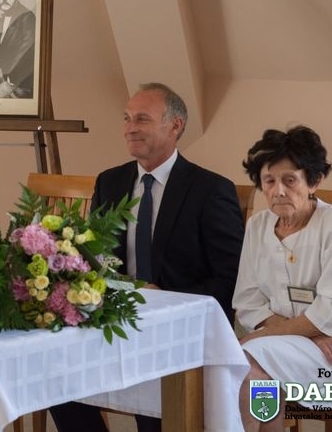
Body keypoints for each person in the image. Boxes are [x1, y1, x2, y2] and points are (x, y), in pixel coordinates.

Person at [49, 83, 245, 432]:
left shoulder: (211, 189)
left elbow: (230, 279)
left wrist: (166, 300)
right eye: (126, 118)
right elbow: (96, 259)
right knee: (54, 369)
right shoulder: (110, 182)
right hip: (118, 317)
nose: (130, 128)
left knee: (154, 396)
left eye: (142, 119)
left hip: (181, 327)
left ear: (175, 126)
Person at [233, 126, 332, 431]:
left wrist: (276, 335)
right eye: (269, 181)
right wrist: (305, 333)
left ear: (314, 181)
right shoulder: (258, 226)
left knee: (246, 363)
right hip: (295, 341)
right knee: (255, 369)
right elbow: (248, 301)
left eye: (290, 180)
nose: (278, 191)